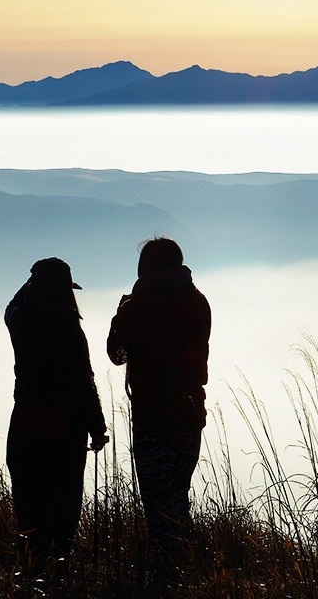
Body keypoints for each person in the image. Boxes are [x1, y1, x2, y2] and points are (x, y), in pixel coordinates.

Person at [107, 237, 211, 565]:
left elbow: (116, 354)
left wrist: (121, 312)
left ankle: (168, 571)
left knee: (158, 503)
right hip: (189, 414)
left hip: (152, 416)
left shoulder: (136, 307)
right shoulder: (198, 301)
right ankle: (187, 567)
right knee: (178, 495)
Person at [5, 257, 109, 566]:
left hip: (26, 419)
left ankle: (30, 563)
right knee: (64, 496)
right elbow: (83, 379)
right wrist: (97, 425)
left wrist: (29, 286)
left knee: (28, 495)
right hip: (68, 425)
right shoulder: (69, 326)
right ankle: (60, 561)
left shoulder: (21, 320)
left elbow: (10, 307)